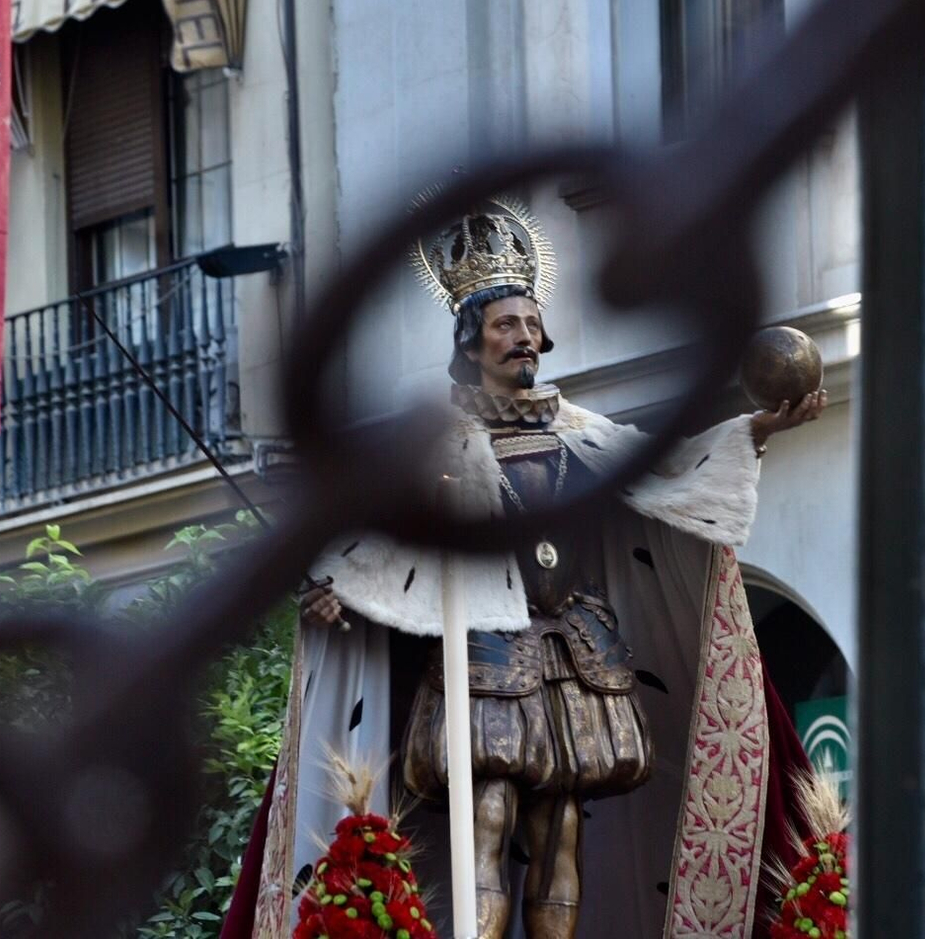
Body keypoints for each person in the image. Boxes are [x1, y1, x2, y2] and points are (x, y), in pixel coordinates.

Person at [227, 195, 824, 939]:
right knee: (489, 811)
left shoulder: (582, 431)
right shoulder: (437, 441)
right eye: (507, 324)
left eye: (532, 322)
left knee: (562, 825)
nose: (526, 337)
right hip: (483, 648)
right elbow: (377, 530)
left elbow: (672, 474)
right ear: (471, 338)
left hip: (576, 646)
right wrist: (330, 587)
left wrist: (756, 428)